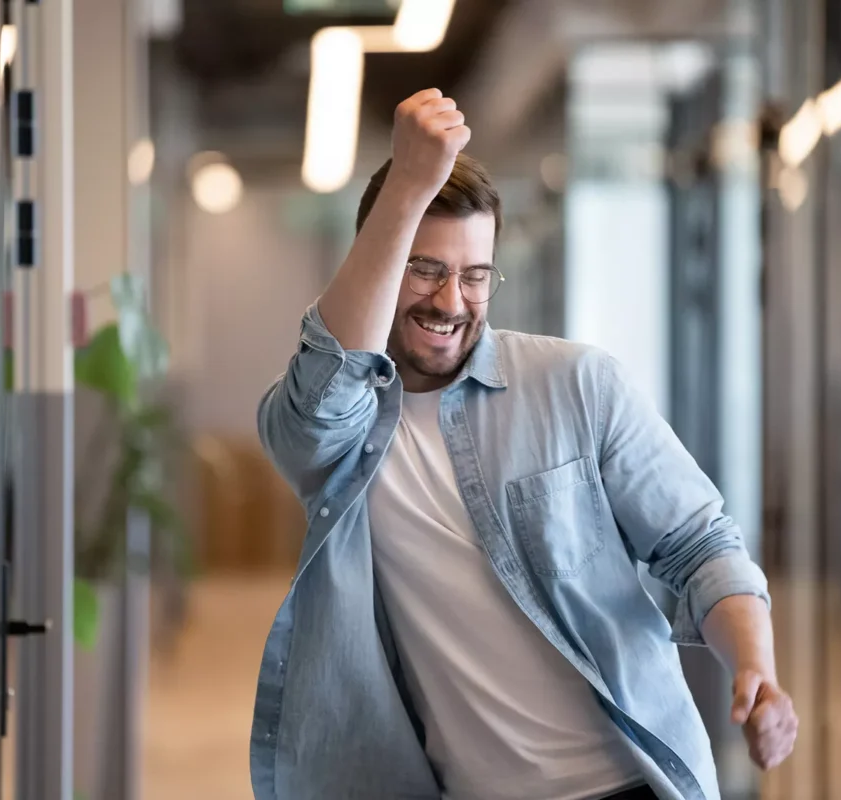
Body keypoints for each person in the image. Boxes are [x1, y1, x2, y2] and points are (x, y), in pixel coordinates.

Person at [251, 88, 798, 800]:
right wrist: (409, 184)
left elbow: (699, 544)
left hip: (632, 782)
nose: (451, 301)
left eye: (474, 276)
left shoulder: (578, 384)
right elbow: (324, 390)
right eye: (425, 269)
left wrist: (755, 666)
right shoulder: (337, 436)